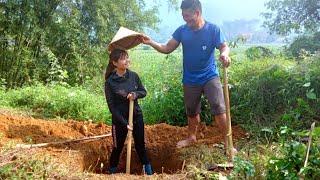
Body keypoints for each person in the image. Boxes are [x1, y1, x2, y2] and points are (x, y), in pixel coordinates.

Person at [141, 0, 235, 153]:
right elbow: (166, 48)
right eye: (183, 16)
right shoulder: (182, 31)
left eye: (187, 16)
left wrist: (225, 55)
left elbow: (223, 46)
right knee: (191, 111)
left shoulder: (213, 29)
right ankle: (192, 137)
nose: (185, 19)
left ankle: (228, 143)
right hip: (190, 79)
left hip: (210, 75)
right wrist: (150, 42)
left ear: (197, 13)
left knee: (219, 108)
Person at [104, 49, 153, 175]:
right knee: (117, 147)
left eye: (127, 57)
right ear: (115, 63)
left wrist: (135, 94)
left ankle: (149, 172)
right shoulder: (110, 82)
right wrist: (124, 123)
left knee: (140, 145)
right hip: (119, 119)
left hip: (136, 116)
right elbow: (112, 107)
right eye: (123, 58)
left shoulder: (134, 76)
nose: (127, 60)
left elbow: (143, 92)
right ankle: (112, 172)